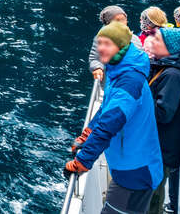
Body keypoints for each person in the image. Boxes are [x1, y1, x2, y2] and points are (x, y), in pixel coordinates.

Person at [66, 21, 164, 214]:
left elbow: (109, 125)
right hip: (127, 167)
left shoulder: (129, 82)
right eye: (99, 43)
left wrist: (82, 161)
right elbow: (105, 110)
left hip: (136, 172)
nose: (101, 48)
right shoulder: (117, 71)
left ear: (121, 46)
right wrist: (86, 135)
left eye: (107, 44)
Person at [145, 27, 180, 214]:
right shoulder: (164, 68)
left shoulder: (172, 76)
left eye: (157, 39)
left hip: (161, 148)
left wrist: (137, 104)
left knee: (151, 195)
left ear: (170, 48)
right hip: (157, 145)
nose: (151, 41)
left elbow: (164, 113)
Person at [89, 5, 129, 82]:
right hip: (110, 81)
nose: (122, 23)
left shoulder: (133, 38)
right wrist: (97, 68)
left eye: (124, 19)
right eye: (117, 20)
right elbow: (94, 59)